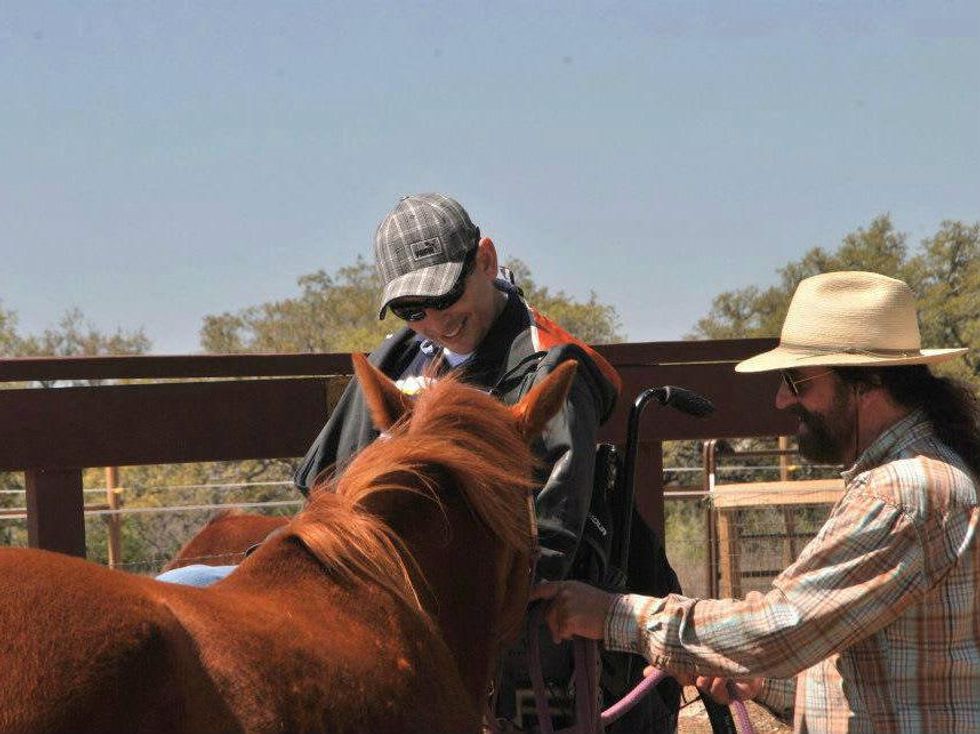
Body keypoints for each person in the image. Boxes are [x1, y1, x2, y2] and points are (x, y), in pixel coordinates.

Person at [160, 193, 623, 724]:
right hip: (358, 578)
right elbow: (325, 486)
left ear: (486, 262)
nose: (436, 322)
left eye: (446, 296)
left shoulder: (547, 364)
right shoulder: (399, 356)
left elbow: (549, 538)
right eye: (412, 309)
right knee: (178, 591)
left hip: (425, 604)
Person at [532, 271, 979, 733]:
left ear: (866, 382)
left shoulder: (901, 492)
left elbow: (782, 626)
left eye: (798, 379)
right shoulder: (920, 476)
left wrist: (614, 615)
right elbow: (865, 667)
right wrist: (761, 680)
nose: (783, 398)